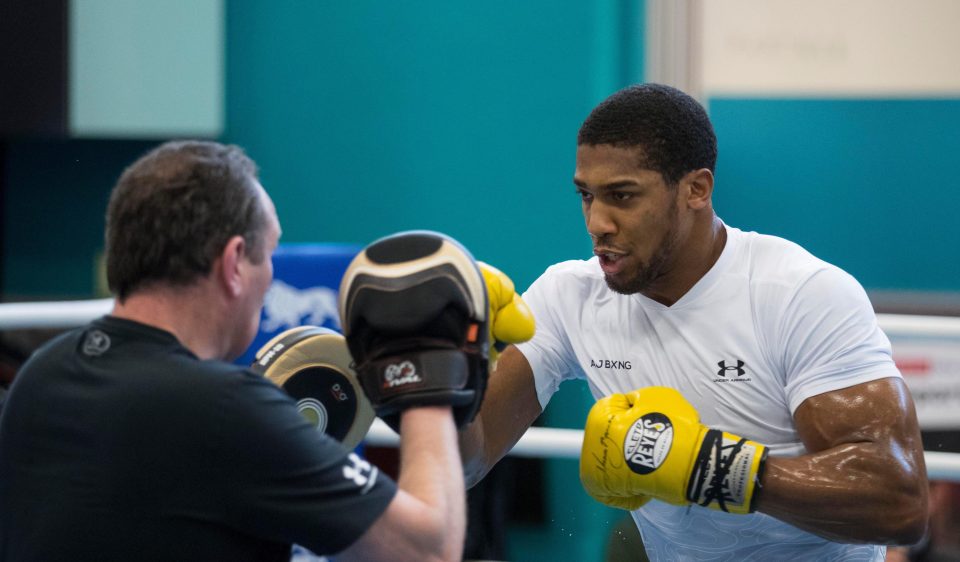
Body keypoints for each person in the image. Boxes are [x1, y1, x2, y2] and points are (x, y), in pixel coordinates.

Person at [459, 83, 929, 560]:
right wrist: (450, 373)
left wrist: (707, 468)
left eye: (622, 196)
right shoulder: (570, 296)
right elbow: (468, 460)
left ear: (696, 190)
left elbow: (898, 503)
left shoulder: (800, 294)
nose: (596, 222)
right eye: (586, 196)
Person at [0, 140, 464, 561]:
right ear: (234, 263)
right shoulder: (223, 409)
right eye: (268, 255)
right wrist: (426, 366)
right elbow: (430, 548)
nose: (270, 277)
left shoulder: (41, 377)